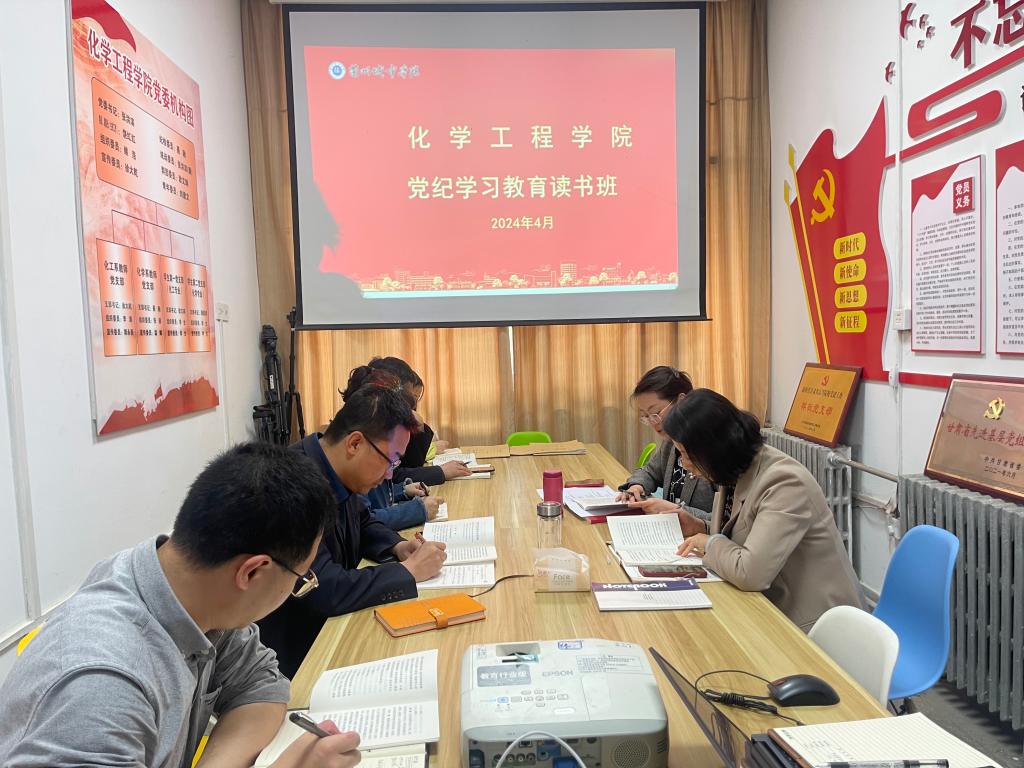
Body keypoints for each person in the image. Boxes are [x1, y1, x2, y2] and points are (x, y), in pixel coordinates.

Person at [0, 442, 361, 768]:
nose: (296, 587)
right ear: (252, 572)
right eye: (299, 578)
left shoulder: (193, 591)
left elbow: (262, 685)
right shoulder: (100, 689)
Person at [258, 374, 447, 677]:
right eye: (391, 460)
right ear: (355, 443)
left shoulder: (333, 468)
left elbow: (364, 521)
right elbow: (323, 588)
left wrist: (398, 546)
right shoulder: (290, 486)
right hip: (297, 659)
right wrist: (408, 572)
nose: (389, 476)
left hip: (330, 632)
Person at [666, 389, 863, 630]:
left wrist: (709, 543)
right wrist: (700, 527)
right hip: (768, 607)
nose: (684, 465)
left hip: (818, 626)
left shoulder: (784, 482)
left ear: (713, 449)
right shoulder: (734, 471)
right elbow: (743, 534)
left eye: (686, 455)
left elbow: (750, 572)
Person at [341, 357, 471, 485]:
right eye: (409, 396)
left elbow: (391, 477)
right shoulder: (367, 426)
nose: (411, 407)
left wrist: (403, 492)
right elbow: (391, 478)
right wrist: (439, 472)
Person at [615, 366, 715, 523]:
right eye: (646, 416)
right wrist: (636, 486)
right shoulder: (670, 443)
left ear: (681, 401)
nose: (652, 422)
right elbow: (650, 472)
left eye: (656, 413)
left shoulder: (715, 447)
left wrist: (675, 510)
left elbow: (728, 522)